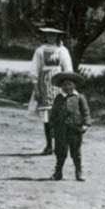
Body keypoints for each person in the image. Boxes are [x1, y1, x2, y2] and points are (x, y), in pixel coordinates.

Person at [25, 27, 77, 155]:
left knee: (61, 113)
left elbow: (68, 68)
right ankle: (49, 145)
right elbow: (35, 70)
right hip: (45, 84)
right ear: (45, 36)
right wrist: (36, 88)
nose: (51, 37)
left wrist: (68, 86)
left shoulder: (62, 50)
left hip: (59, 82)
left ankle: (61, 144)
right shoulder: (40, 51)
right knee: (48, 116)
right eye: (49, 35)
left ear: (58, 37)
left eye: (54, 35)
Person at [48, 71, 90, 181]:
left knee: (76, 152)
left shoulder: (79, 97)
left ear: (74, 85)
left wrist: (86, 124)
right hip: (60, 129)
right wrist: (52, 127)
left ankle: (79, 172)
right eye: (65, 85)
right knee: (60, 152)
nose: (68, 87)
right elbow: (53, 114)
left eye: (70, 84)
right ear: (61, 86)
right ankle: (58, 172)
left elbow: (86, 112)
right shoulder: (58, 98)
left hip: (75, 129)